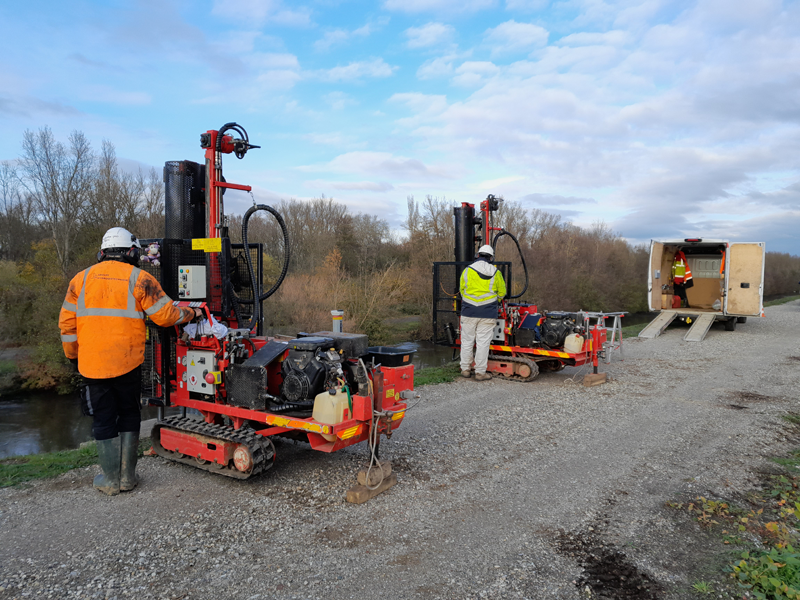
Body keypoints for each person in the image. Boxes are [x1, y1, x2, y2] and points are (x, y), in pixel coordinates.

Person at [58, 227, 201, 496]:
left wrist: (73, 356)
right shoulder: (140, 278)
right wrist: (191, 313)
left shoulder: (80, 280)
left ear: (102, 252)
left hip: (92, 365)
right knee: (129, 413)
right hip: (129, 363)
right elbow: (166, 316)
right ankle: (128, 477)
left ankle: (110, 480)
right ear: (132, 252)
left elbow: (66, 325)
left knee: (103, 419)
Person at [459, 244, 506, 381]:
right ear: (491, 258)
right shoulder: (496, 272)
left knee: (467, 341)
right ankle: (480, 372)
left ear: (477, 255)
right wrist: (492, 300)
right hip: (487, 313)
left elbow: (462, 290)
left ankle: (465, 369)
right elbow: (502, 293)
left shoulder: (467, 271)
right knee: (483, 343)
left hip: (468, 311)